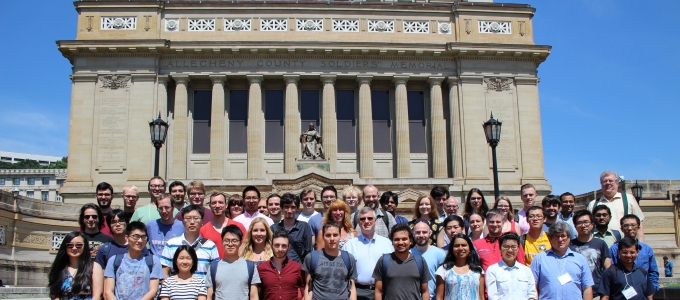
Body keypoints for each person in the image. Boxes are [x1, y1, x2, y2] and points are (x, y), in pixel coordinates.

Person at [530, 222, 594, 300]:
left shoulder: (580, 259)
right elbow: (532, 287)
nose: (560, 240)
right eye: (556, 237)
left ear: (569, 238)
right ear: (550, 239)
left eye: (563, 236)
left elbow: (587, 288)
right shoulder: (540, 259)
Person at [92, 210, 148, 300]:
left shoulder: (139, 246)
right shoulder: (104, 249)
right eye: (113, 222)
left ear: (127, 223)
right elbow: (102, 278)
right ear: (109, 226)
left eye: (121, 221)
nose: (117, 224)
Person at [344, 207, 395, 300]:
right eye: (362, 219)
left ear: (375, 221)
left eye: (370, 218)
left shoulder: (387, 244)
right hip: (358, 292)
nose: (366, 221)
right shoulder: (349, 245)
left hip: (383, 292)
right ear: (359, 222)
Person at [104, 221, 163, 300]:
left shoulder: (153, 260)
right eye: (136, 236)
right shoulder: (114, 260)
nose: (140, 240)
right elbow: (108, 291)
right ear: (126, 238)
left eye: (143, 237)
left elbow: (153, 291)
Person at [161, 205, 220, 279]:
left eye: (196, 218)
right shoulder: (171, 244)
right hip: (177, 289)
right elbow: (165, 271)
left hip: (202, 290)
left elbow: (215, 273)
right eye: (188, 218)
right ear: (182, 222)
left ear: (202, 221)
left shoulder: (210, 246)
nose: (192, 222)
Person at [373, 223, 430, 300]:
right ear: (392, 242)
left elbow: (425, 291)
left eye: (404, 239)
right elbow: (378, 291)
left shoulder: (420, 261)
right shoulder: (384, 260)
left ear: (411, 241)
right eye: (396, 239)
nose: (400, 242)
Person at [303, 221, 358, 300]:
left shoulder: (349, 259)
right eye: (328, 235)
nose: (332, 239)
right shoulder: (312, 258)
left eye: (335, 235)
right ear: (323, 236)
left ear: (340, 236)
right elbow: (308, 287)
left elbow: (352, 288)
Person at [587, 171, 645, 241]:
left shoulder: (628, 199)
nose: (608, 183)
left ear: (617, 184)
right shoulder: (593, 204)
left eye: (611, 181)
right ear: (601, 184)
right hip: (600, 245)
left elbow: (639, 223)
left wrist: (641, 245)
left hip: (625, 245)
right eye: (605, 181)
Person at [207, 224, 261, 300]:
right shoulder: (213, 267)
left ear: (240, 243)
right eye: (226, 240)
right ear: (222, 242)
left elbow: (254, 296)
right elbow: (209, 296)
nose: (230, 244)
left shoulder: (251, 267)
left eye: (234, 241)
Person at [609, 214, 659, 292]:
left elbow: (653, 272)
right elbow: (611, 271)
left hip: (644, 291)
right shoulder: (614, 248)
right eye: (626, 225)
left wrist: (653, 289)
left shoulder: (647, 249)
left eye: (633, 225)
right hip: (622, 291)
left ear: (638, 227)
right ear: (621, 228)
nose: (629, 228)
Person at [569, 209, 611, 296]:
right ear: (575, 226)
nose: (583, 225)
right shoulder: (569, 245)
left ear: (592, 224)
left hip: (597, 291)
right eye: (579, 223)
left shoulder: (600, 243)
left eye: (586, 222)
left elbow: (607, 268)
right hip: (574, 291)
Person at [485, 232, 537, 300]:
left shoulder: (526, 270)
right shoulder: (493, 270)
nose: (510, 250)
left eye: (513, 247)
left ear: (518, 248)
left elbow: (532, 295)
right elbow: (493, 297)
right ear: (500, 248)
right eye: (506, 247)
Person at [258, 231, 306, 300]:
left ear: (288, 247)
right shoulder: (261, 268)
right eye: (277, 245)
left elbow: (305, 293)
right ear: (271, 246)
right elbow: (256, 295)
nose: (280, 249)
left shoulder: (298, 268)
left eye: (284, 246)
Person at [435, 233, 484, 300]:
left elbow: (481, 297)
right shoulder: (443, 270)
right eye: (456, 246)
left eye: (464, 245)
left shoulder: (478, 270)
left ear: (470, 248)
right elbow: (439, 297)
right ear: (452, 249)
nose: (460, 248)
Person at [200, 191, 246, 259]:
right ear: (210, 206)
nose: (217, 205)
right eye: (214, 203)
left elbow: (245, 248)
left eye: (220, 202)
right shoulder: (203, 230)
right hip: (212, 268)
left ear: (226, 205)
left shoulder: (239, 226)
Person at [48, 232, 93, 300]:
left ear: (85, 246)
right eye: (70, 245)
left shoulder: (93, 267)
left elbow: (97, 296)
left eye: (79, 245)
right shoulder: (58, 268)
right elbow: (55, 295)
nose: (74, 248)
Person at [270, 193, 313, 264]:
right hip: (278, 268)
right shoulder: (274, 228)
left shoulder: (304, 227)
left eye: (293, 207)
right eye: (286, 207)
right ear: (282, 208)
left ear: (297, 208)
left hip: (298, 269)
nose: (289, 210)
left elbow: (308, 253)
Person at [411, 222, 446, 299]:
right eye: (418, 232)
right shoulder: (408, 254)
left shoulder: (440, 254)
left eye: (424, 232)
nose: (421, 235)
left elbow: (443, 280)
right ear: (413, 234)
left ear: (430, 233)